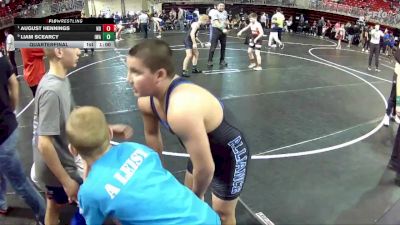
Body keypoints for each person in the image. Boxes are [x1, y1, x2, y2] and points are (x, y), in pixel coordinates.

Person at [128, 39, 250, 225]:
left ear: (159, 74)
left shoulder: (182, 107)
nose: (128, 79)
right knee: (188, 194)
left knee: (222, 212)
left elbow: (206, 167)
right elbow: (152, 135)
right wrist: (158, 175)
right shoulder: (146, 102)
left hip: (229, 152)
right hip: (201, 149)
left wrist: (197, 196)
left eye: (135, 72)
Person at [66, 106, 221, 225]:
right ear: (110, 133)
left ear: (73, 150)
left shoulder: (90, 191)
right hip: (206, 217)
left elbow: (91, 221)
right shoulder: (136, 149)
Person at [32, 48, 83, 225]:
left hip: (62, 159)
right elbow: (44, 143)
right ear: (60, 51)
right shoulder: (51, 91)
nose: (79, 50)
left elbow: (72, 112)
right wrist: (66, 181)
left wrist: (102, 126)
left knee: (53, 206)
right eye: (75, 46)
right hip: (55, 169)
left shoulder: (61, 79)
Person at [0, 50, 45, 225]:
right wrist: (11, 107)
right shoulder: (2, 60)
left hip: (2, 135)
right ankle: (2, 204)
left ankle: (45, 216)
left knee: (19, 182)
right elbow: (13, 81)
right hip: (8, 126)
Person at [207, 3, 229, 67]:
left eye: (223, 6)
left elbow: (226, 19)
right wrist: (223, 29)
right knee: (213, 47)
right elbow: (216, 22)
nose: (222, 7)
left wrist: (227, 23)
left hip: (223, 31)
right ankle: (210, 61)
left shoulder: (225, 12)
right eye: (220, 6)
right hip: (216, 30)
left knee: (223, 47)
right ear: (216, 6)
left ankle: (222, 60)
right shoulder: (214, 12)